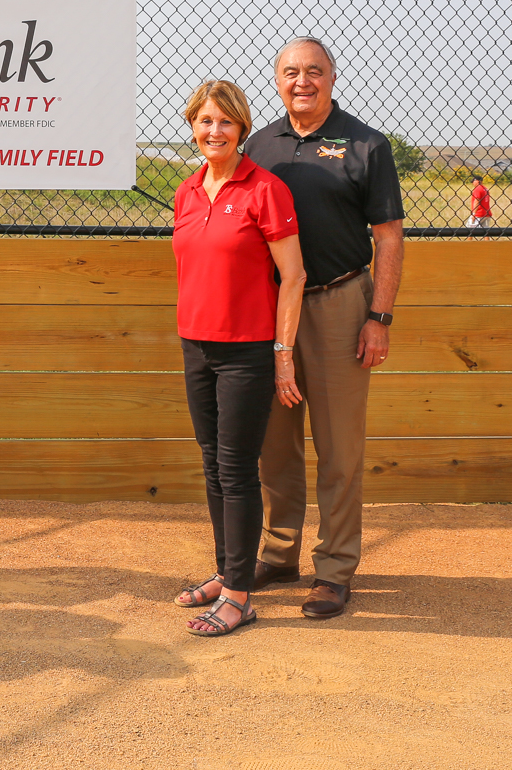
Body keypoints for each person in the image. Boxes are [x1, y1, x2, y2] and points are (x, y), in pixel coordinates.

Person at [241, 37, 405, 620]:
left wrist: (377, 318)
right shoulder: (256, 145)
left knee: (339, 448)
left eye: (313, 71)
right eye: (290, 72)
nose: (301, 81)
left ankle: (334, 570)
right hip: (271, 309)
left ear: (332, 77)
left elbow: (388, 239)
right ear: (277, 79)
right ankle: (278, 554)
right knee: (274, 445)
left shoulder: (366, 144)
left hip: (339, 304)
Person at [170, 81, 307, 637]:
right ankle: (230, 571)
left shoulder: (265, 190)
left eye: (225, 122)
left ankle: (239, 596)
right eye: (205, 121)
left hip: (246, 350)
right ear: (193, 126)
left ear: (242, 128)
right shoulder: (186, 192)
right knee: (211, 462)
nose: (214, 131)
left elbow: (293, 276)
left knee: (235, 467)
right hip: (195, 344)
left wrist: (282, 355)